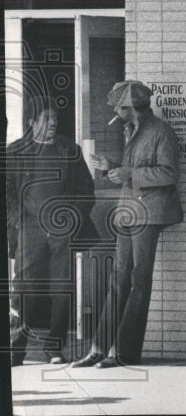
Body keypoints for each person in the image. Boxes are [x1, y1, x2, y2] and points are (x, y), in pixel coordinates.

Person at [72, 80, 183, 369]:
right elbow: (135, 170)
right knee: (119, 278)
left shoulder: (161, 131)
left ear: (130, 107)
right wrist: (112, 166)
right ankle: (100, 348)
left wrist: (128, 173)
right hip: (130, 212)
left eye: (119, 107)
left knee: (138, 281)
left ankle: (124, 352)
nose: (115, 111)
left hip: (148, 213)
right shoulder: (132, 129)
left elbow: (169, 173)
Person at [8, 98, 98, 366]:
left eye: (55, 120)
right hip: (29, 228)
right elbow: (7, 194)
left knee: (61, 286)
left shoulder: (69, 150)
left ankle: (54, 348)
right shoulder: (15, 152)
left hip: (62, 229)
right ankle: (16, 348)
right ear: (31, 122)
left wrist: (69, 216)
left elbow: (86, 192)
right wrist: (18, 221)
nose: (52, 124)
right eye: (46, 119)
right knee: (24, 286)